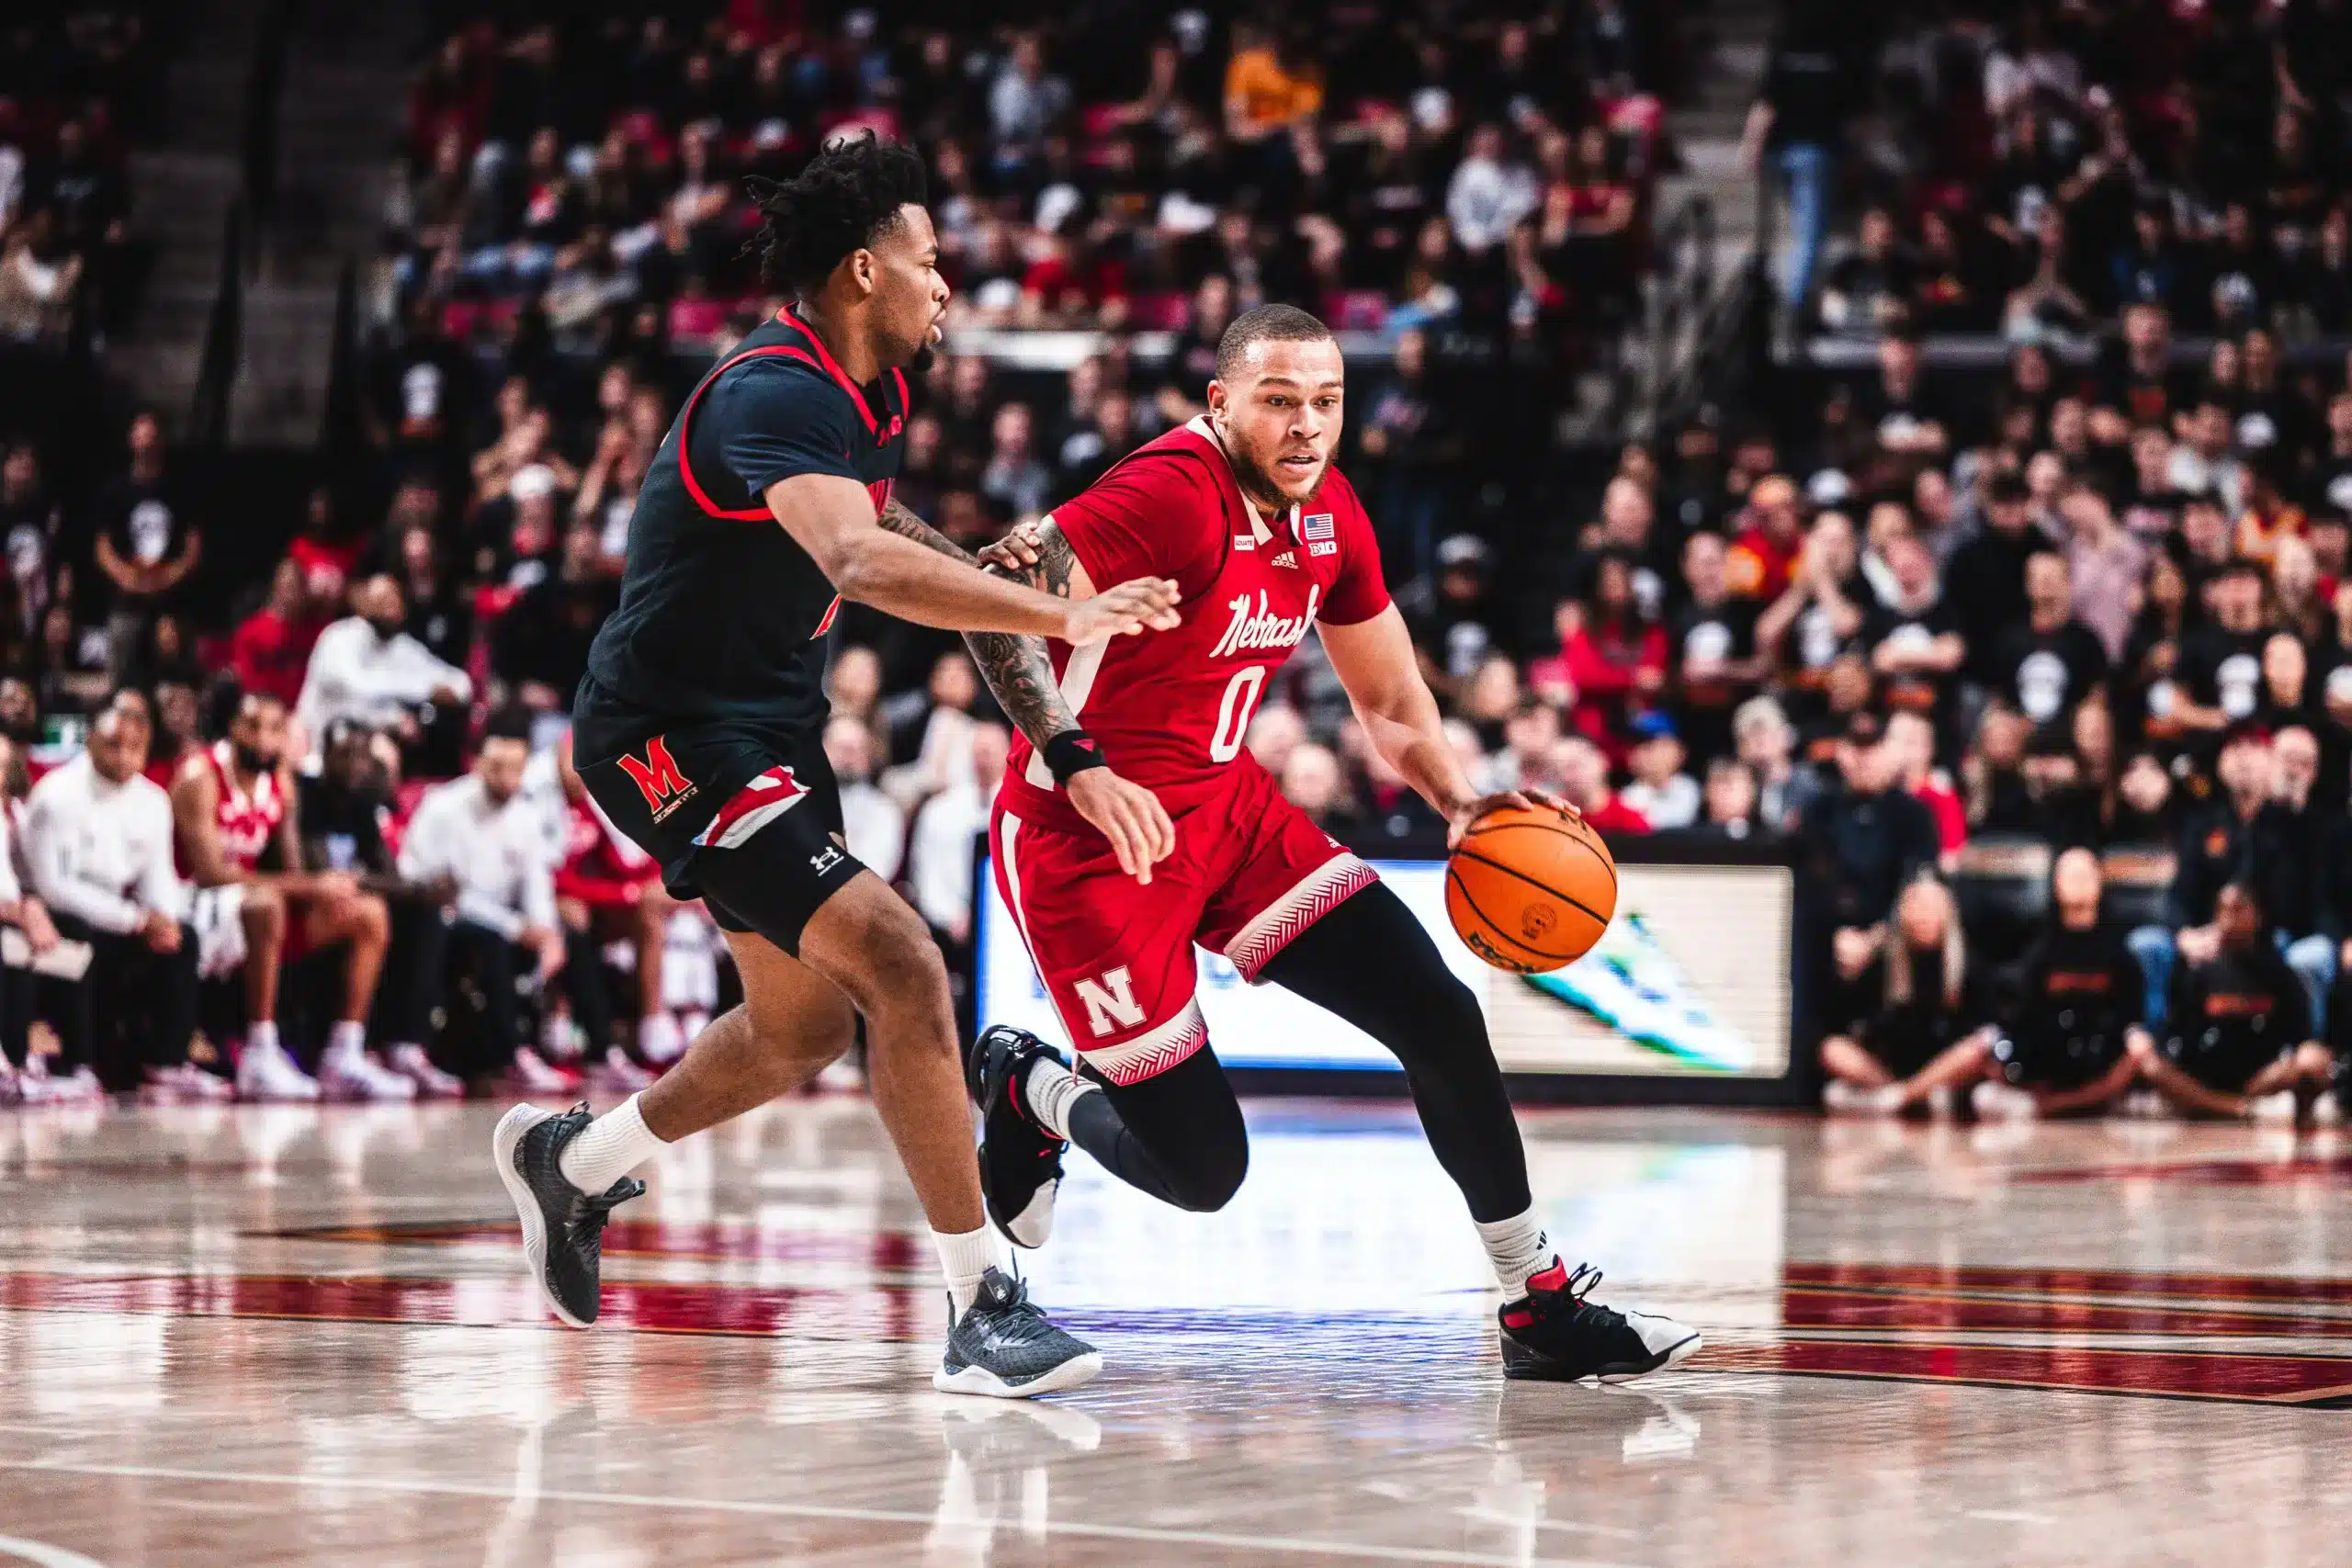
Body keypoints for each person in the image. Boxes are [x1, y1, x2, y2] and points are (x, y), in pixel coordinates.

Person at [507, 137, 1175, 1396]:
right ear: (865, 271)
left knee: (800, 1023)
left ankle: (573, 1164)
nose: (947, 286)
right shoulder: (774, 389)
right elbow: (863, 564)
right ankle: (982, 1300)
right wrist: (1065, 616)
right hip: (664, 733)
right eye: (931, 263)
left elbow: (942, 572)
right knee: (901, 958)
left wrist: (1069, 739)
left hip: (762, 732)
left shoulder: (869, 398)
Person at [967, 303, 1699, 1384]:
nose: (1307, 426)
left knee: (1437, 1011)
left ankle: (1535, 1304)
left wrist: (1460, 803)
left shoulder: (1331, 515)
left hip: (1228, 815)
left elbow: (1391, 695)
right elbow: (993, 602)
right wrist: (1078, 758)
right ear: (1219, 405)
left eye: (1326, 402)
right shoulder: (1164, 494)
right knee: (1204, 1170)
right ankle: (1031, 1087)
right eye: (1278, 401)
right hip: (1090, 844)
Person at [170, 691, 405, 1101]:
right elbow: (208, 872)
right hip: (190, 900)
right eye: (253, 726)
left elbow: (292, 870)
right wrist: (314, 885)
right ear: (233, 729)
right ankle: (260, 1053)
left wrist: (326, 892)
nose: (263, 738)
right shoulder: (200, 776)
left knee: (369, 913)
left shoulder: (279, 780)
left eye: (275, 729)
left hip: (250, 906)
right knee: (266, 903)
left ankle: (343, 1053)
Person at [21, 691, 212, 1102]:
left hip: (118, 921)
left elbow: (159, 878)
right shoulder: (56, 797)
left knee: (184, 937)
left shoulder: (154, 801)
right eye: (114, 745)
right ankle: (78, 1064)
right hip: (55, 922)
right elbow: (54, 889)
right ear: (90, 741)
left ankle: (166, 1064)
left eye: (135, 748)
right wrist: (135, 920)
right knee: (75, 933)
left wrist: (164, 918)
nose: (124, 757)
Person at [401, 710, 571, 1091]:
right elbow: (444, 892)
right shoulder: (444, 807)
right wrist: (515, 927)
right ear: (477, 762)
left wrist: (546, 931)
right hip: (435, 914)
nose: (506, 779)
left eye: (515, 769)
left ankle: (601, 1052)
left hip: (495, 918)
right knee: (489, 940)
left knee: (568, 933)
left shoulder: (525, 816)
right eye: (497, 767)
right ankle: (511, 1055)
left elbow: (536, 883)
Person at [298, 717, 466, 1097]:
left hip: (350, 905)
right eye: (346, 754)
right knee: (374, 911)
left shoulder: (361, 804)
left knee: (424, 916)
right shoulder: (306, 794)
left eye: (362, 755)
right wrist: (367, 882)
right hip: (307, 907)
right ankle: (344, 1050)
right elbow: (318, 870)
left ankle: (404, 1046)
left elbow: (387, 876)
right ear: (325, 754)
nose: (354, 764)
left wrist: (425, 890)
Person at [2133, 881, 2335, 1120]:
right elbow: (2178, 1037)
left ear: (2258, 917)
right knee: (2152, 1066)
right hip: (2207, 1076)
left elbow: (2302, 1037)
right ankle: (2233, 1107)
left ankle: (2230, 1104)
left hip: (2260, 1077)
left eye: (2239, 909)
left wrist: (2293, 1061)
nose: (2230, 918)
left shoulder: (2280, 973)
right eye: (2224, 910)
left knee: (2314, 1060)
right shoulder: (2199, 973)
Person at [1978, 849, 2148, 1119]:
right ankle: (2062, 1102)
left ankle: (2060, 1105)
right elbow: (2022, 1015)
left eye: (2084, 875)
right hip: (2049, 1059)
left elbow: (2131, 1015)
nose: (2077, 882)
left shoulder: (2119, 950)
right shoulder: (2038, 949)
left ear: (2099, 883)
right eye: (2069, 875)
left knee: (2142, 1050)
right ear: (2055, 885)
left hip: (2100, 1057)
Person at [1818, 877, 1993, 1114]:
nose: (1923, 914)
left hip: (1943, 1070)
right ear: (1902, 911)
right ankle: (1905, 1096)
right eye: (1916, 905)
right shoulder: (1882, 959)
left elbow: (1980, 1031)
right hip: (1890, 1070)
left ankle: (1903, 1098)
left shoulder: (1968, 963)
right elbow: (1856, 1022)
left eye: (1932, 906)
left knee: (1981, 1046)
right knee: (1832, 1048)